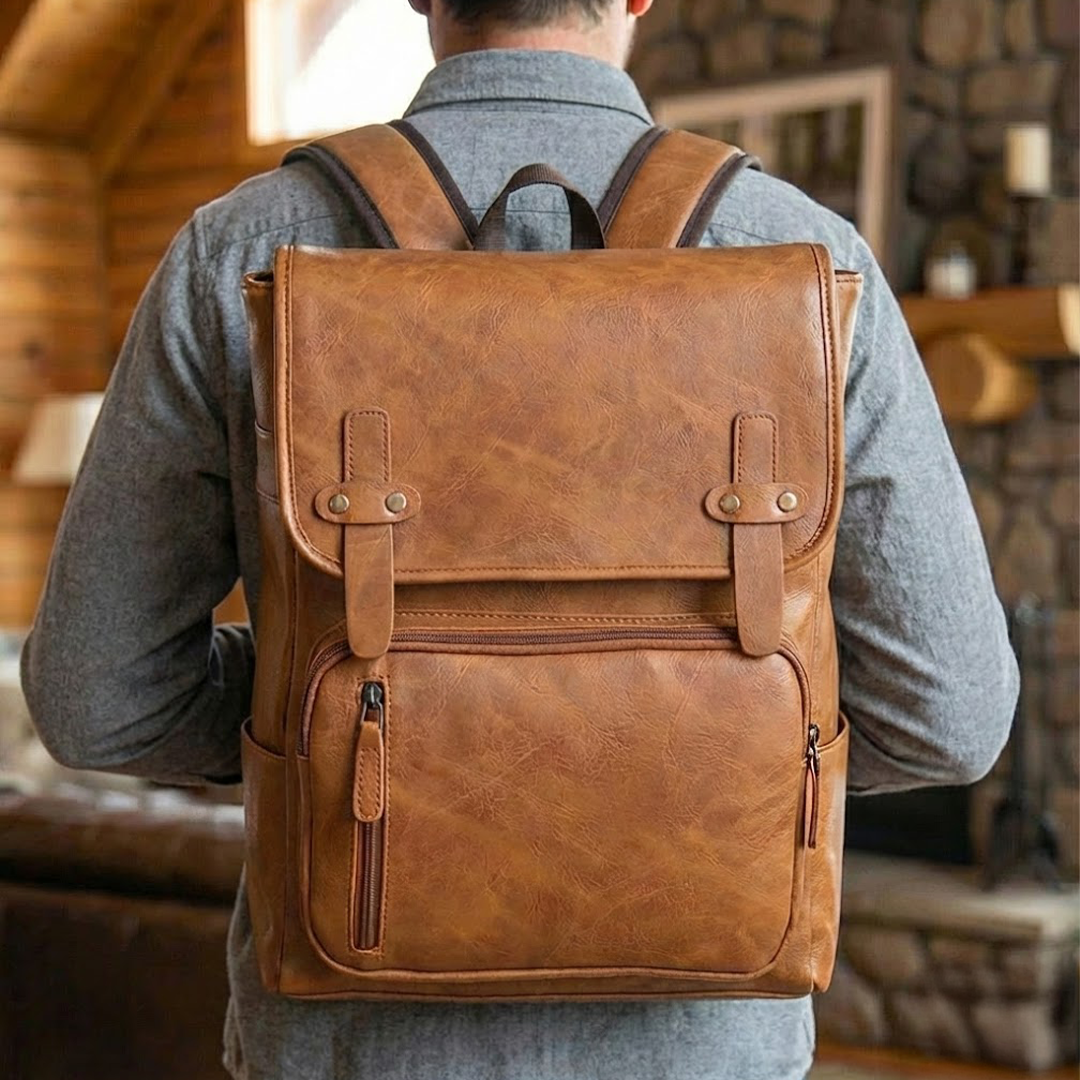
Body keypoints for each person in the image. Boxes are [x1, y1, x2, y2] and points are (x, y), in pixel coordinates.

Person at [21, 2, 1019, 1078]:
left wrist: (337, 719)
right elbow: (952, 716)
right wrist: (689, 741)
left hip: (347, 1040)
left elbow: (95, 698)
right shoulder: (807, 260)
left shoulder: (241, 251)